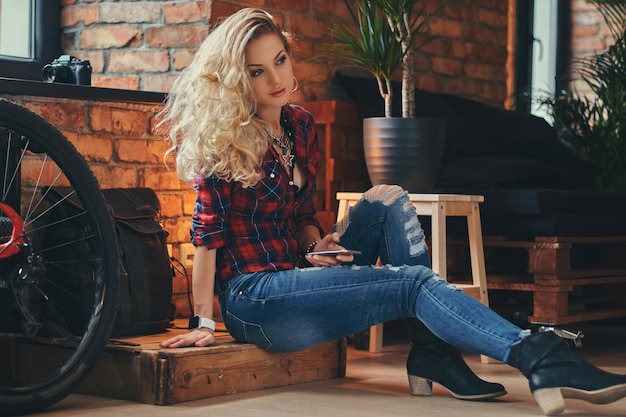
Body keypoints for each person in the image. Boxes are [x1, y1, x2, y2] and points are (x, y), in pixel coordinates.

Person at [158, 8, 626, 416]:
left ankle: (432, 354)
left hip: (300, 274)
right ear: (239, 79)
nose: (277, 79)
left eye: (280, 60)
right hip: (256, 299)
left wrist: (315, 245)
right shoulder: (225, 139)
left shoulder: (299, 125)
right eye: (258, 71)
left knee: (390, 197)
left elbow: (300, 212)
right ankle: (537, 357)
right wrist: (203, 320)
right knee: (411, 282)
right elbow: (206, 237)